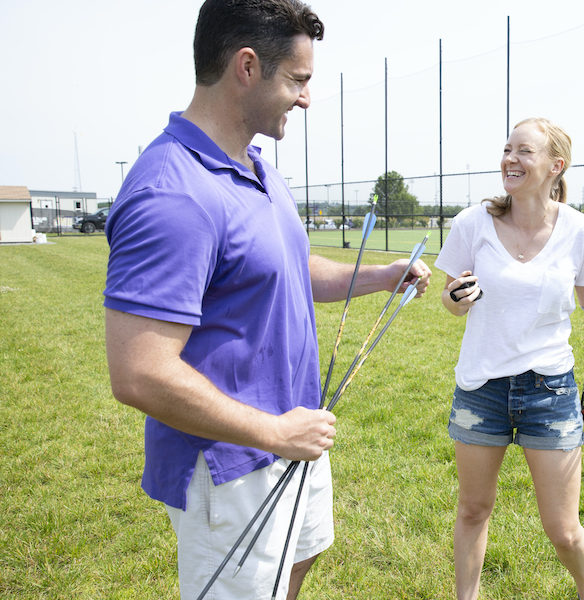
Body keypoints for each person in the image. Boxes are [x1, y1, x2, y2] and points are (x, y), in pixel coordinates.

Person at [103, 1, 431, 598]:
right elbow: (139, 374)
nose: (307, 99)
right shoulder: (173, 192)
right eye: (299, 81)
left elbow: (291, 271)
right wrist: (274, 433)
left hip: (291, 435)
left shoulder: (257, 168)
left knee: (294, 570)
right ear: (247, 67)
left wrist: (381, 276)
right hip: (233, 463)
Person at [435, 117, 584, 600]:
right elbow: (449, 301)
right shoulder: (473, 223)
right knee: (473, 510)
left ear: (556, 166)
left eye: (524, 151)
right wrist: (456, 298)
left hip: (549, 392)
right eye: (507, 149)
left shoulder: (582, 230)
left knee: (563, 530)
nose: (510, 159)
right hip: (481, 389)